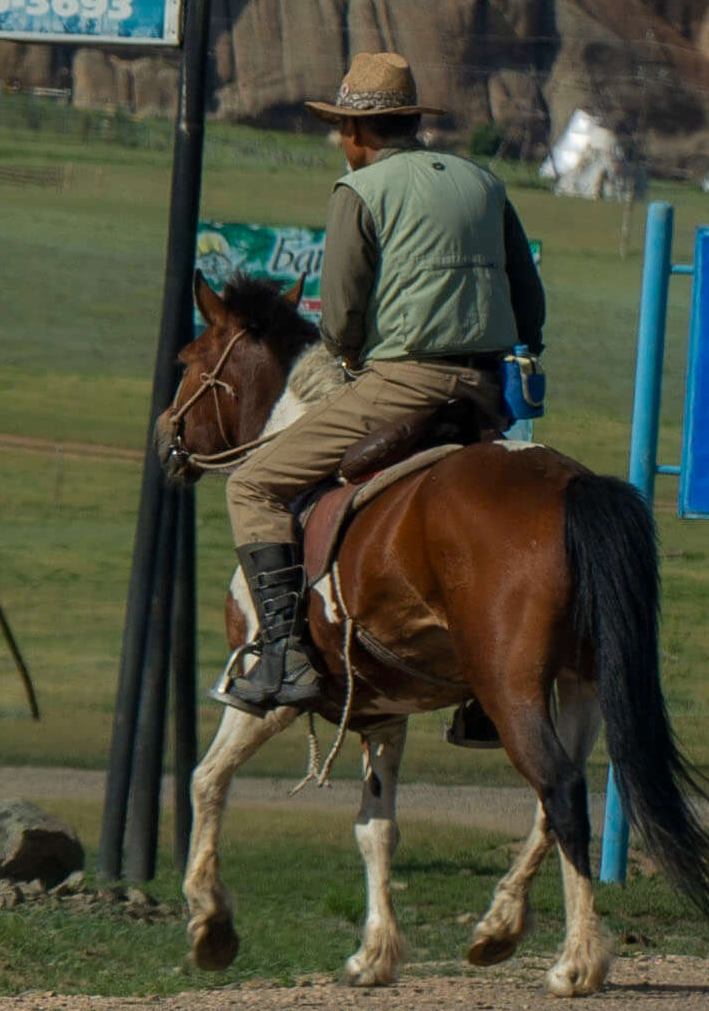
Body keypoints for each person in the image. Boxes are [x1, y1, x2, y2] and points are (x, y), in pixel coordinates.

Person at [221, 49, 542, 714]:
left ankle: (284, 657)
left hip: (402, 383)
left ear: (361, 132)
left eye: (342, 129)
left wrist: (347, 356)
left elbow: (339, 315)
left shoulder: (360, 191)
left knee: (252, 483)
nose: (342, 141)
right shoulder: (485, 182)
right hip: (485, 392)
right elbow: (529, 298)